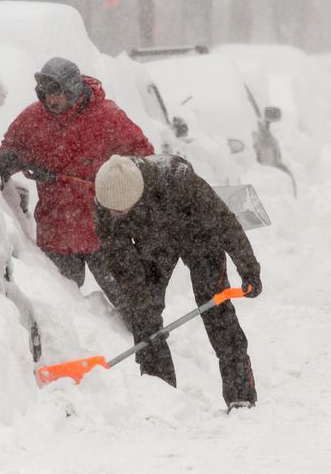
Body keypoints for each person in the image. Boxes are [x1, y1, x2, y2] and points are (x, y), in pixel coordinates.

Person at [92, 154, 261, 411]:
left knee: (215, 308)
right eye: (110, 210)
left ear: (137, 197)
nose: (113, 215)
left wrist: (248, 268)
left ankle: (241, 394)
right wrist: (143, 306)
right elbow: (120, 260)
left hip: (200, 237)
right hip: (155, 245)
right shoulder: (106, 200)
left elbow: (225, 222)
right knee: (143, 317)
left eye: (120, 211)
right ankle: (159, 395)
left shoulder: (179, 180)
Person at [0, 57, 154, 306]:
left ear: (72, 89)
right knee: (64, 311)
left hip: (104, 231)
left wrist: (115, 177)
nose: (51, 100)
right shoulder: (33, 119)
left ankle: (147, 340)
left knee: (132, 305)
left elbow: (142, 157)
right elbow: (9, 149)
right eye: (46, 94)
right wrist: (12, 161)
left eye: (57, 93)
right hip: (57, 232)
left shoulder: (107, 117)